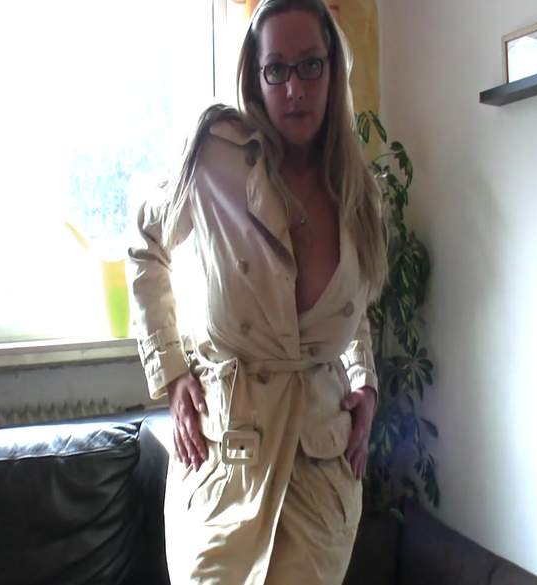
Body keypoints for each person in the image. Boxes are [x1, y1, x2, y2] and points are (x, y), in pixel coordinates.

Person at [128, 0, 386, 583]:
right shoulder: (214, 156)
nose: (295, 88)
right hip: (225, 465)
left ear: (333, 68)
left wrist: (365, 382)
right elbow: (145, 244)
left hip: (320, 478)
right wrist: (171, 372)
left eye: (310, 65)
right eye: (277, 69)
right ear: (255, 74)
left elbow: (350, 308)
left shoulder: (358, 192)